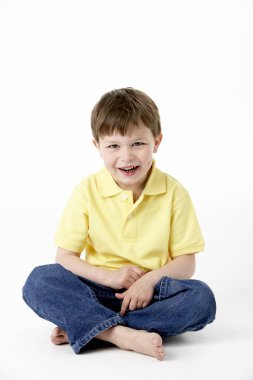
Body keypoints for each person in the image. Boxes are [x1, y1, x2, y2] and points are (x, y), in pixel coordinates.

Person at [22, 87, 216, 361]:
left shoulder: (174, 193)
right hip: (96, 289)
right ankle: (119, 335)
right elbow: (65, 258)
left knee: (201, 299)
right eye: (114, 146)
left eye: (138, 143)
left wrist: (148, 281)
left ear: (157, 142)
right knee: (39, 280)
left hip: (150, 295)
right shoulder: (86, 191)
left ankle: (90, 326)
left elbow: (186, 262)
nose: (127, 156)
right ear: (97, 147)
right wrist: (108, 277)